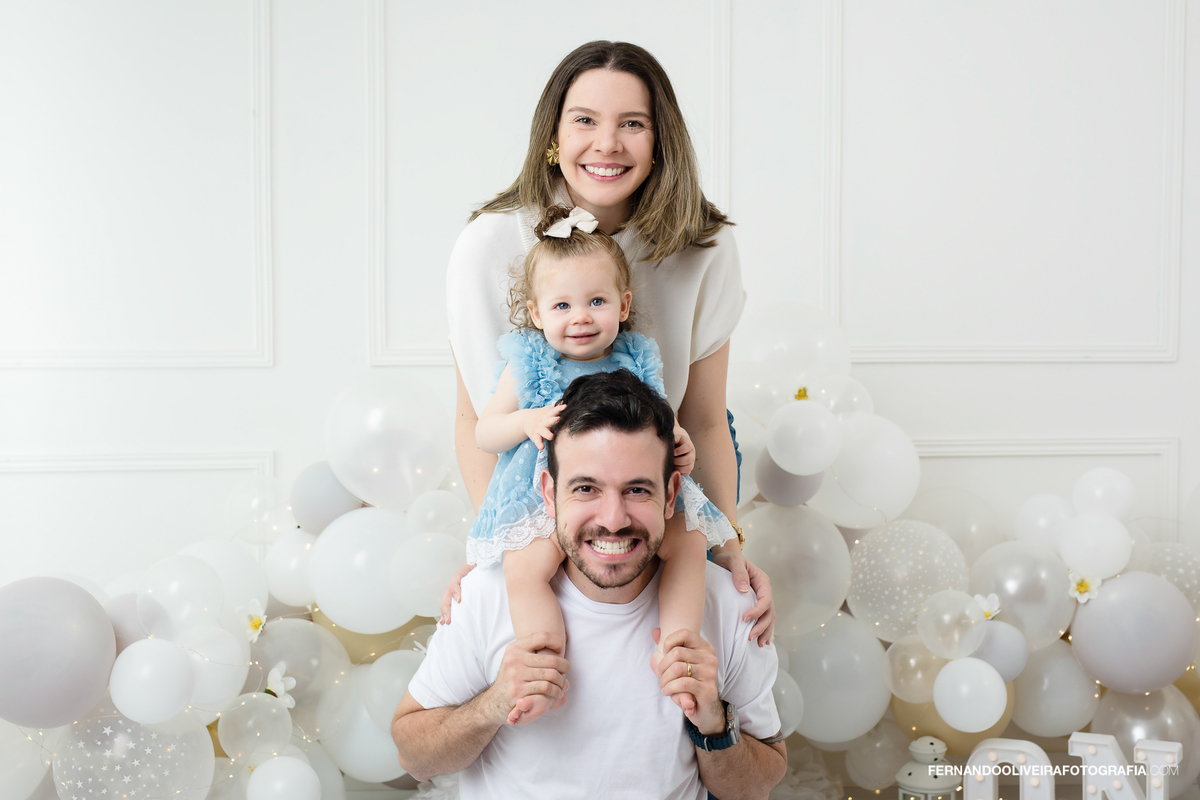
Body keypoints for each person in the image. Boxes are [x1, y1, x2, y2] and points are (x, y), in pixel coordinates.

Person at [446, 38, 775, 646]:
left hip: (653, 496)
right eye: (584, 121)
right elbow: (478, 421)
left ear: (660, 142)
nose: (607, 144)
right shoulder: (490, 247)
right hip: (542, 500)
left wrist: (729, 547)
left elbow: (703, 421)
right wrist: (495, 547)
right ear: (553, 135)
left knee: (713, 605)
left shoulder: (706, 247)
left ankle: (680, 666)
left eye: (632, 124)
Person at [393, 370, 787, 800]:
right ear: (549, 493)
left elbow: (758, 785)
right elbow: (414, 758)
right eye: (586, 488)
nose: (613, 519)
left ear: (672, 494)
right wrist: (493, 703)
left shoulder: (731, 603)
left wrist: (712, 717)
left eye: (637, 489)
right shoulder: (488, 593)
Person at [467, 204, 737, 724]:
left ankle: (679, 645)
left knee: (689, 541)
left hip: (630, 488)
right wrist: (524, 421)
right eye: (563, 305)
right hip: (548, 495)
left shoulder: (637, 357)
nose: (581, 317)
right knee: (527, 569)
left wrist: (681, 443)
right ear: (537, 313)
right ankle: (542, 655)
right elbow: (483, 431)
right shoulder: (527, 362)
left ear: (624, 304)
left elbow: (666, 421)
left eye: (596, 301)